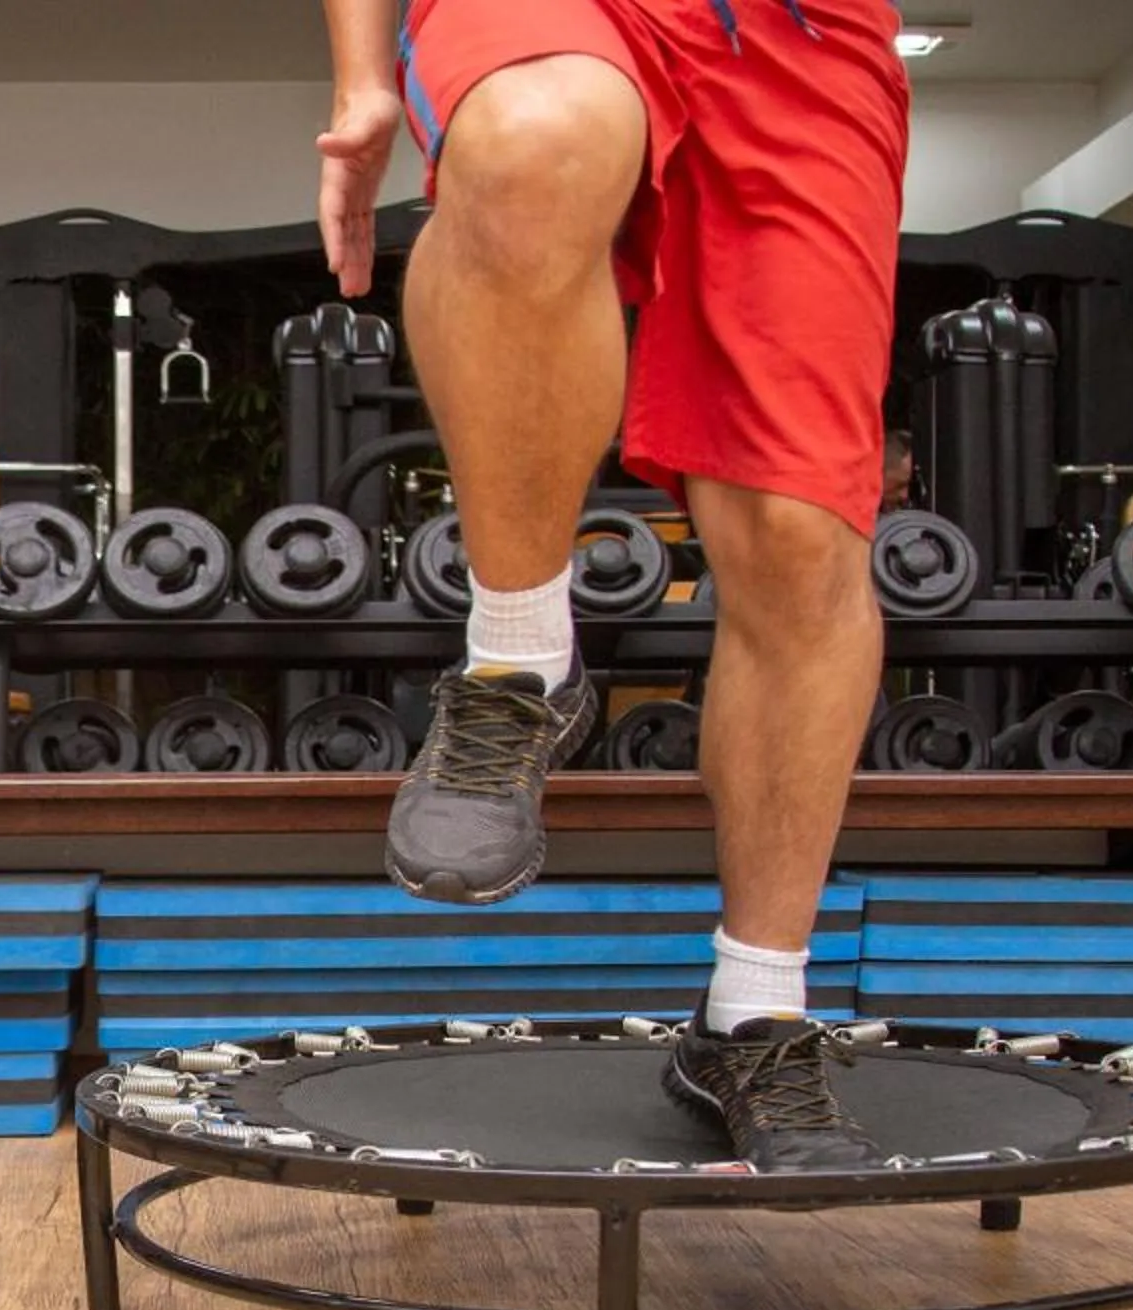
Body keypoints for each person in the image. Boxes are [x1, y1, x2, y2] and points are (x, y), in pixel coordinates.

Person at [316, 0, 908, 1167]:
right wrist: (359, 77)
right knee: (532, 141)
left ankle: (753, 1012)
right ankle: (520, 659)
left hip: (799, 36)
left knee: (797, 535)